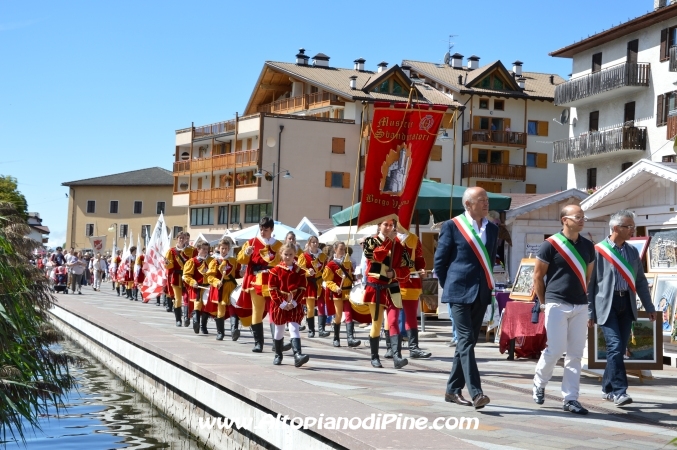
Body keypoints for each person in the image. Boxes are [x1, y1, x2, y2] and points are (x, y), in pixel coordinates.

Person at [434, 187, 497, 410]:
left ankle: (452, 390)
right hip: (458, 292)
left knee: (466, 342)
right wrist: (450, 285)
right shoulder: (452, 226)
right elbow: (439, 263)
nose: (486, 204)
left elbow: (489, 260)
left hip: (481, 292)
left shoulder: (492, 228)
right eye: (482, 200)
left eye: (487, 200)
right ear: (468, 204)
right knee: (466, 340)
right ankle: (477, 393)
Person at [588, 210, 657, 406]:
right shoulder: (598, 251)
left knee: (616, 350)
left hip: (626, 303)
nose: (633, 230)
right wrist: (590, 312)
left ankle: (607, 388)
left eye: (633, 226)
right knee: (616, 346)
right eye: (629, 227)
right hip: (606, 305)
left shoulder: (632, 251)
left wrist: (649, 306)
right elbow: (590, 285)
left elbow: (641, 281)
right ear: (616, 228)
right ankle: (620, 391)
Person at [532, 204, 595, 415]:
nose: (582, 219)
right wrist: (543, 303)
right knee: (556, 349)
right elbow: (538, 277)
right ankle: (539, 383)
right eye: (577, 216)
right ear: (564, 220)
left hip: (580, 304)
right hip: (556, 303)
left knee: (576, 354)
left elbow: (588, 277)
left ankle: (570, 398)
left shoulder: (588, 246)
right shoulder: (549, 245)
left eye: (583, 216)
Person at [362, 218, 412, 370]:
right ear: (379, 225)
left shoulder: (400, 245)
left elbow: (407, 269)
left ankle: (397, 356)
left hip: (393, 288)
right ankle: (374, 356)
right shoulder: (371, 241)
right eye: (386, 225)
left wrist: (395, 273)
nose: (389, 228)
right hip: (376, 287)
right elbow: (376, 256)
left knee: (393, 321)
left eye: (391, 225)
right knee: (377, 324)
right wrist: (390, 242)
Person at [237, 217, 285, 353]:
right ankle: (258, 343)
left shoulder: (279, 245)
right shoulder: (251, 243)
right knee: (257, 310)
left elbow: (285, 261)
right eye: (261, 229)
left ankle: (277, 343)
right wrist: (246, 253)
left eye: (266, 229)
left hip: (273, 281)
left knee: (274, 311)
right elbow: (241, 259)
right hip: (256, 280)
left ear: (272, 230)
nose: (263, 232)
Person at [268, 243, 310, 367]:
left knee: (294, 327)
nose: (288, 257)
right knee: (279, 329)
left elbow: (302, 289)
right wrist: (282, 303)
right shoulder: (275, 271)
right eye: (285, 254)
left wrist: (295, 302)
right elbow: (272, 289)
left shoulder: (300, 272)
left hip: (294, 304)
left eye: (290, 254)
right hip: (280, 304)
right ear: (281, 254)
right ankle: (278, 354)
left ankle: (297, 355)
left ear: (294, 255)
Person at [398, 231, 431, 359]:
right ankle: (392, 348)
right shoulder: (389, 237)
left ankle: (414, 348)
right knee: (393, 316)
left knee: (411, 316)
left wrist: (421, 268)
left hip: (411, 283)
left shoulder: (414, 239)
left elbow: (418, 258)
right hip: (393, 283)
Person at [322, 241, 361, 348]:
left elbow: (351, 276)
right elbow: (327, 281)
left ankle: (350, 338)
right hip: (337, 293)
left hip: (348, 292)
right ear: (335, 250)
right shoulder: (330, 264)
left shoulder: (348, 262)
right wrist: (335, 288)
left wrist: (357, 277)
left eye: (344, 249)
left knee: (349, 314)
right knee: (338, 316)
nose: (343, 251)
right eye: (341, 249)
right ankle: (336, 337)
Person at [206, 239, 242, 341]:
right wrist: (217, 282)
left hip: (231, 287)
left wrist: (242, 274)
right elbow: (210, 277)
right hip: (220, 288)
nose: (224, 250)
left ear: (229, 249)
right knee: (220, 309)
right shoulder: (215, 261)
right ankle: (220, 332)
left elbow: (237, 273)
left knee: (232, 308)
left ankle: (234, 329)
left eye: (226, 249)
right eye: (222, 248)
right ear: (218, 248)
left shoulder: (234, 261)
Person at [298, 236, 328, 338]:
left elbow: (326, 269)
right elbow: (300, 270)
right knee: (310, 308)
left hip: (320, 282)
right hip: (309, 283)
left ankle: (321, 329)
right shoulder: (304, 256)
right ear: (309, 243)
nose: (315, 244)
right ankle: (311, 330)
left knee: (321, 306)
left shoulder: (323, 256)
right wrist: (307, 272)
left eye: (316, 242)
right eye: (313, 242)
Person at [165, 232, 196, 327]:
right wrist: (167, 263)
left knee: (187, 298)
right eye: (180, 238)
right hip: (176, 277)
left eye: (184, 238)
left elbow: (195, 262)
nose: (182, 240)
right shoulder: (171, 251)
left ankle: (186, 317)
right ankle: (178, 319)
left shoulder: (192, 250)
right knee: (178, 299)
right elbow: (169, 266)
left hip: (187, 277)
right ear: (177, 239)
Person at [183, 242, 213, 334]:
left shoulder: (212, 261)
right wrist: (193, 282)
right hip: (197, 287)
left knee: (206, 307)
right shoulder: (192, 261)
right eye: (203, 249)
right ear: (198, 249)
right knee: (197, 305)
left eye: (207, 249)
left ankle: (203, 326)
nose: (205, 251)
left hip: (208, 287)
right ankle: (196, 322)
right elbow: (186, 275)